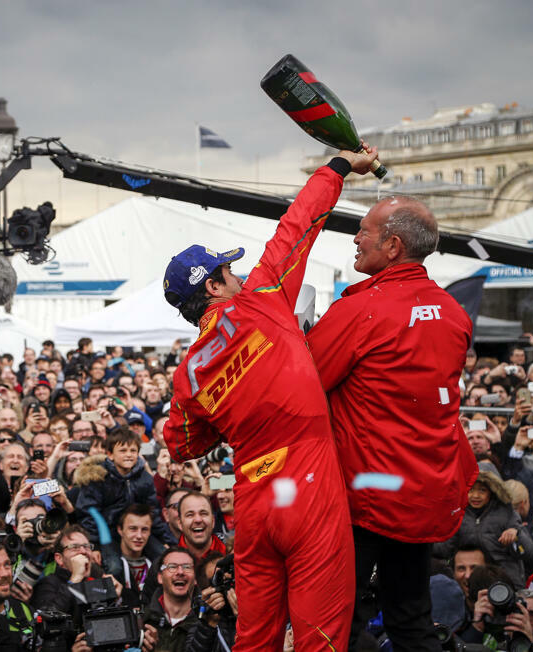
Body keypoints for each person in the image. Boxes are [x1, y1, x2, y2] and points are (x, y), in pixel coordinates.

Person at [163, 147, 379, 649]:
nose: (238, 277)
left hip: (255, 501)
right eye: (228, 273)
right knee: (320, 636)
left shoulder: (188, 373)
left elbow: (183, 445)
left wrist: (230, 414)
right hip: (308, 487)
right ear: (215, 285)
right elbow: (299, 224)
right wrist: (341, 165)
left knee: (255, 638)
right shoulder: (261, 299)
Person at [306, 194, 478, 649]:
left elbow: (304, 380)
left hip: (365, 498)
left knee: (337, 624)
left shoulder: (362, 311)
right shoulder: (454, 313)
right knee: (410, 617)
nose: (356, 237)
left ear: (394, 245)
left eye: (364, 230)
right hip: (422, 495)